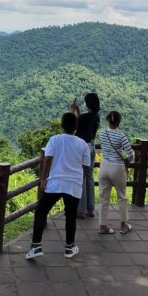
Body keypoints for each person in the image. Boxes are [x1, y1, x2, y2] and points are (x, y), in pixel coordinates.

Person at [26, 112, 92, 260]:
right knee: (70, 216)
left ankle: (36, 246)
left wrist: (43, 179)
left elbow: (47, 159)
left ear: (62, 125)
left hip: (55, 183)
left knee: (41, 211)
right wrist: (78, 179)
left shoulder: (54, 140)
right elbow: (86, 167)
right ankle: (69, 247)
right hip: (73, 185)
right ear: (76, 127)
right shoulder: (83, 144)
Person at [97, 110, 134, 234]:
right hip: (117, 167)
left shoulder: (102, 133)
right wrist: (130, 158)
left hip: (104, 166)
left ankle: (102, 226)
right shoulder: (121, 136)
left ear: (108, 120)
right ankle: (123, 225)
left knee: (104, 198)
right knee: (122, 196)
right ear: (118, 122)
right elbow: (129, 154)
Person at [71, 92, 101, 219]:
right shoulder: (96, 117)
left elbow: (72, 125)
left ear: (88, 104)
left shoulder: (84, 118)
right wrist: (78, 110)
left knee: (80, 176)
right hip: (91, 147)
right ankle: (90, 209)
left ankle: (80, 210)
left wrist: (72, 110)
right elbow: (83, 122)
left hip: (82, 149)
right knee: (89, 177)